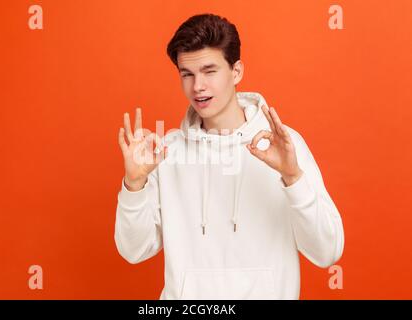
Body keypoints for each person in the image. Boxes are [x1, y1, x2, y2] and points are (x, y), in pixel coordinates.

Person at [115, 13, 344, 300]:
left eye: (209, 71)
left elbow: (327, 252)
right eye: (187, 74)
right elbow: (134, 251)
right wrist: (134, 184)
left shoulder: (282, 146)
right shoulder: (166, 151)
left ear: (236, 72)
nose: (197, 86)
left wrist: (293, 178)